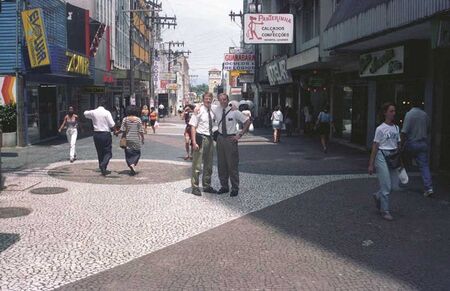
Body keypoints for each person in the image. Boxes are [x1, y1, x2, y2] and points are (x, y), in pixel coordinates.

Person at [213, 93, 251, 197]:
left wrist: (240, 135)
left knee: (232, 164)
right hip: (220, 139)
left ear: (228, 100)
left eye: (224, 99)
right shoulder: (216, 109)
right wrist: (194, 109)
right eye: (220, 100)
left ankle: (235, 187)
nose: (222, 101)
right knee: (221, 164)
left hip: (231, 139)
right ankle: (224, 186)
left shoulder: (234, 111)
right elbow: (205, 106)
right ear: (218, 100)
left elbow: (247, 121)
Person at [368, 102, 401, 221]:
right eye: (391, 111)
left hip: (393, 156)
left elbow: (398, 145)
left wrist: (399, 160)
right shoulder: (380, 129)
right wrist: (371, 164)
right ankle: (385, 210)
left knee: (394, 185)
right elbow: (375, 146)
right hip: (381, 155)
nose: (393, 113)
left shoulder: (396, 128)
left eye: (394, 111)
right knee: (386, 185)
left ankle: (378, 195)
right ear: (385, 113)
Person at [401, 98, 434, 197]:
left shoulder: (409, 114)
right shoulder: (425, 115)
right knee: (424, 166)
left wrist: (400, 144)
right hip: (423, 143)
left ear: (411, 104)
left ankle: (400, 181)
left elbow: (404, 131)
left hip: (411, 143)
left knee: (401, 161)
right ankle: (429, 187)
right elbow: (429, 129)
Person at [189, 92, 217, 196]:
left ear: (212, 99)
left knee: (209, 165)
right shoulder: (199, 110)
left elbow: (226, 105)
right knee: (197, 165)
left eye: (210, 98)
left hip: (210, 138)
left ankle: (206, 185)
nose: (208, 100)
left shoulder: (213, 110)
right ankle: (195, 187)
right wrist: (194, 142)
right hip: (201, 138)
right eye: (206, 98)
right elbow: (192, 126)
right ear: (203, 99)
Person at [84, 101, 116, 176]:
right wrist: (115, 131)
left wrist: (91, 111)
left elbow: (85, 113)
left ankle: (102, 167)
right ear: (105, 106)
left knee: (99, 151)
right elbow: (112, 124)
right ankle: (103, 164)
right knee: (108, 152)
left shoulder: (94, 112)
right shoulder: (107, 112)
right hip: (105, 134)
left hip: (96, 134)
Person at [116, 106, 144, 176]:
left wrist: (116, 132)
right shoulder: (138, 119)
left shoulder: (125, 119)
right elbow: (141, 130)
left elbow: (122, 129)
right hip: (136, 138)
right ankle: (133, 164)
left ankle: (131, 164)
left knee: (128, 153)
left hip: (127, 139)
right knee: (137, 153)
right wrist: (143, 138)